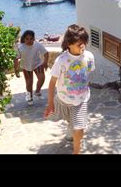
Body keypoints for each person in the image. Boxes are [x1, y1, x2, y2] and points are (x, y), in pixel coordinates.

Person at [44, 24, 95, 154]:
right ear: (69, 44)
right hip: (63, 100)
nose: (83, 46)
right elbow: (52, 83)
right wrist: (50, 103)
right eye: (79, 44)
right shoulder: (61, 61)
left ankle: (76, 152)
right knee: (69, 121)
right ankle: (70, 126)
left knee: (79, 127)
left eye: (84, 42)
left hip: (81, 100)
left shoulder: (89, 57)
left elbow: (89, 73)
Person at [14, 30, 49, 106]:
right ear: (24, 39)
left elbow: (46, 53)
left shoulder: (37, 45)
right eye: (27, 39)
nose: (29, 41)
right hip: (26, 66)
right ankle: (30, 97)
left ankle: (37, 91)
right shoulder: (20, 48)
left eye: (31, 38)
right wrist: (16, 70)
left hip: (37, 64)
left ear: (33, 38)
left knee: (42, 78)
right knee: (29, 83)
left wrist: (45, 62)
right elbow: (16, 59)